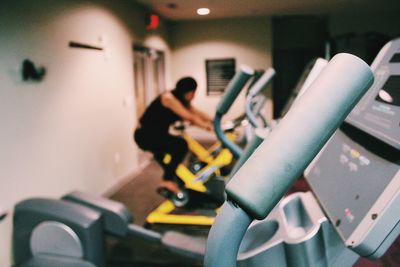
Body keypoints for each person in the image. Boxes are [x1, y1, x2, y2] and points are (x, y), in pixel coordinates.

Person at [134, 77, 213, 195]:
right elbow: (190, 117)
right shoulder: (169, 98)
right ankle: (166, 180)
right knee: (181, 146)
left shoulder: (180, 99)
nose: (194, 96)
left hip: (156, 134)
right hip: (145, 136)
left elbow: (196, 112)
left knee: (171, 154)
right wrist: (210, 128)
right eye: (193, 93)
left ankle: (173, 180)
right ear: (187, 92)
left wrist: (215, 121)